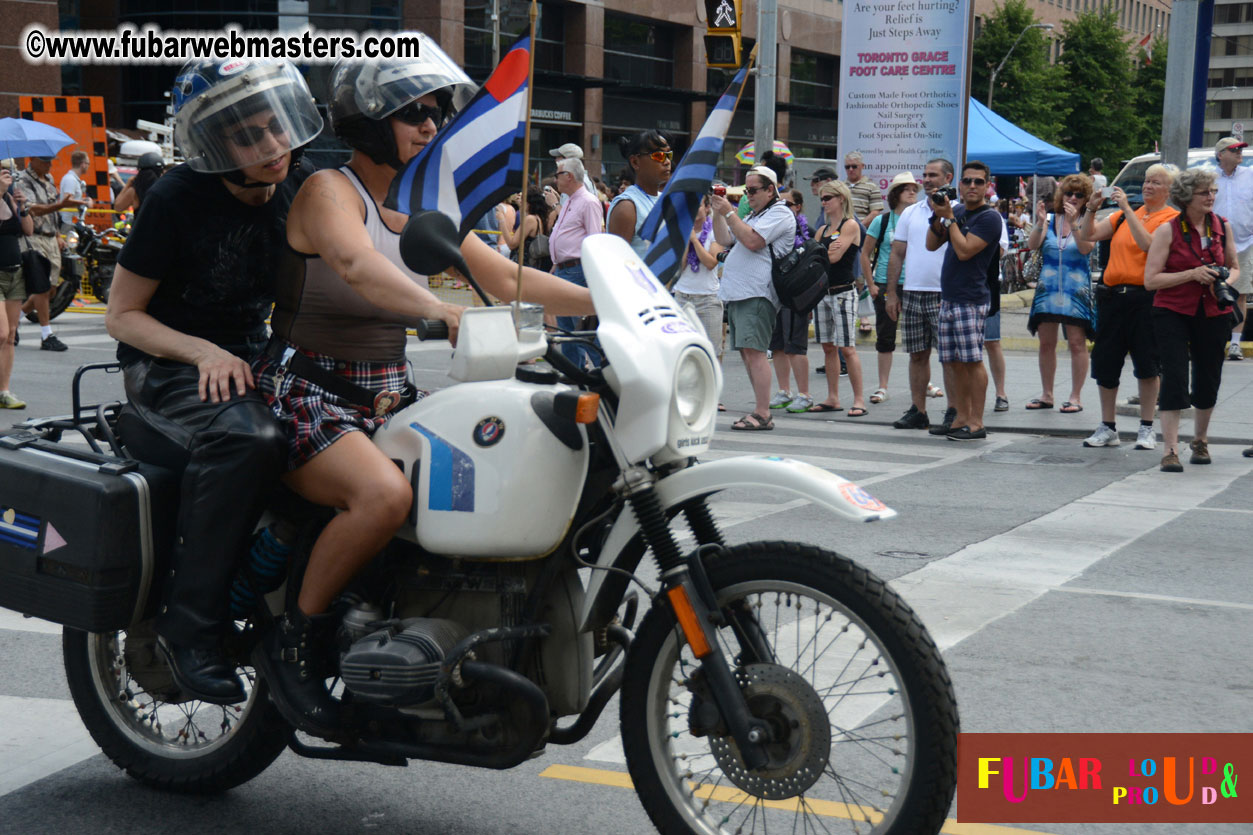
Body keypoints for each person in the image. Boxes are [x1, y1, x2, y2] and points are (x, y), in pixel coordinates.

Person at [254, 44, 596, 729]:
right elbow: (352, 263)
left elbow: (507, 280)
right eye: (414, 114)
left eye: (437, 114)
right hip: (306, 392)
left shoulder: (417, 207)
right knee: (383, 496)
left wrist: (615, 303)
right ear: (370, 121)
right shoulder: (329, 190)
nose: (431, 126)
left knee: (482, 476)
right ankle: (295, 640)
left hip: (384, 396)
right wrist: (437, 307)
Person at [104, 58, 323, 705]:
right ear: (212, 145)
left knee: (341, 429)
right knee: (248, 438)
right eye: (250, 136)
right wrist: (201, 351)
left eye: (276, 125)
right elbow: (122, 314)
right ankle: (188, 628)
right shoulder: (174, 197)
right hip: (167, 363)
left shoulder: (296, 182)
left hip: (250, 354)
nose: (273, 144)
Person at [1144, 169, 1239, 472]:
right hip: (1173, 310)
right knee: (1174, 376)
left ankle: (1200, 440)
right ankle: (1170, 449)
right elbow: (1150, 280)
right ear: (1187, 197)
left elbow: (1234, 267)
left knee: (1208, 376)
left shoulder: (1222, 226)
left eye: (1213, 191)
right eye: (1204, 192)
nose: (1211, 196)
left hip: (1213, 310)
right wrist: (1191, 274)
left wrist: (1224, 278)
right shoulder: (1168, 230)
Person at [1079, 165, 1178, 450]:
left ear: (1169, 191)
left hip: (1144, 297)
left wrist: (1128, 209)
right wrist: (1090, 209)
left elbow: (1148, 244)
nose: (1147, 186)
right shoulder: (1123, 215)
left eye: (1156, 183)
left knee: (1147, 364)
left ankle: (1146, 428)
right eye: (1146, 181)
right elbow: (1089, 235)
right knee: (1106, 362)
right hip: (1112, 296)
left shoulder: (1171, 219)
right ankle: (1108, 426)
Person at [925, 160, 1004, 440]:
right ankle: (959, 417)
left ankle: (977, 421)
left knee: (972, 361)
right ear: (959, 184)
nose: (972, 186)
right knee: (952, 362)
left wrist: (950, 219)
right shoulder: (956, 211)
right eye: (967, 181)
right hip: (949, 297)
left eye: (978, 182)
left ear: (987, 185)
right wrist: (939, 215)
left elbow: (965, 251)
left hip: (971, 299)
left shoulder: (989, 218)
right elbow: (931, 244)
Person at [711, 165, 795, 430]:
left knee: (756, 353)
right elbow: (724, 238)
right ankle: (760, 410)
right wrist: (717, 212)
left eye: (754, 190)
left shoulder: (779, 213)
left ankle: (762, 412)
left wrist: (728, 211)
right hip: (741, 293)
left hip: (757, 292)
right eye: (746, 191)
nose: (748, 196)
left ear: (771, 190)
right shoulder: (757, 215)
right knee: (749, 353)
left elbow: (752, 241)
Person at [885, 158, 958, 432]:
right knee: (917, 354)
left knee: (949, 357)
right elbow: (897, 253)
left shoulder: (957, 210)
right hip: (914, 292)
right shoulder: (911, 213)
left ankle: (954, 411)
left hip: (945, 293)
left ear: (948, 178)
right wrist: (892, 293)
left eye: (933, 175)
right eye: (925, 175)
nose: (926, 180)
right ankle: (918, 410)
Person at [1025, 173, 1096, 413]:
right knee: (1046, 343)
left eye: (1079, 194)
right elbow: (1033, 245)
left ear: (1086, 199)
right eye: (1069, 193)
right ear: (1061, 195)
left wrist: (1076, 222)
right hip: (1048, 288)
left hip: (1076, 291)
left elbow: (1086, 247)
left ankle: (1075, 396)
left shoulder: (1088, 219)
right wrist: (1039, 221)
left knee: (1077, 343)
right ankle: (1047, 394)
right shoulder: (1051, 218)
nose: (1073, 198)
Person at [860, 171, 919, 405]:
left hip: (915, 283)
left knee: (919, 336)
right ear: (896, 194)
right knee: (886, 337)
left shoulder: (920, 219)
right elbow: (864, 254)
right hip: (886, 282)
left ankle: (923, 382)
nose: (913, 191)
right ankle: (883, 386)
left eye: (915, 188)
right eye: (907, 188)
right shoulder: (881, 221)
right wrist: (871, 284)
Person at [809, 180, 867, 415]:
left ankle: (859, 400)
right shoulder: (822, 230)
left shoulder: (850, 225)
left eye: (827, 198)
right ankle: (833, 397)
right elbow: (816, 258)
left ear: (840, 198)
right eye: (822, 198)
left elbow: (832, 258)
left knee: (847, 347)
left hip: (843, 291)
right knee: (828, 347)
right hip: (823, 292)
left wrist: (821, 253)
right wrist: (824, 252)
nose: (823, 203)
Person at [16, 156, 84, 351]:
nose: (50, 165)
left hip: (51, 238)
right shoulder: (23, 180)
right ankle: (47, 334)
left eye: (51, 161)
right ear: (34, 160)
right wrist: (60, 206)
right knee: (41, 288)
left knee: (50, 288)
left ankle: (15, 319)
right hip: (33, 238)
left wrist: (57, 234)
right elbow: (33, 210)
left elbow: (52, 212)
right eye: (45, 161)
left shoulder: (49, 179)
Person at [548, 154, 604, 368]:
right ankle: (575, 372)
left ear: (569, 176)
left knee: (580, 328)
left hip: (577, 271)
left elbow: (593, 241)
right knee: (567, 329)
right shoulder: (572, 200)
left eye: (558, 174)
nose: (555, 179)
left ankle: (606, 371)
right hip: (566, 270)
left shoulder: (588, 202)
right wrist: (556, 265)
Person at [768, 188, 814, 413]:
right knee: (777, 345)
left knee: (795, 346)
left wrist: (810, 301)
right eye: (780, 204)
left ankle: (804, 394)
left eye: (788, 204)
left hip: (796, 296)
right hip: (776, 292)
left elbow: (814, 269)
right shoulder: (775, 228)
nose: (784, 209)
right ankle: (784, 391)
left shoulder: (807, 233)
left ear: (798, 207)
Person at [672, 197, 725, 375]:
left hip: (707, 298)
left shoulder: (714, 232)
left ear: (707, 207)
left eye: (698, 205)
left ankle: (715, 396)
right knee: (684, 350)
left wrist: (695, 241)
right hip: (683, 296)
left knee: (712, 349)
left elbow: (711, 263)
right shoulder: (681, 231)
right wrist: (687, 241)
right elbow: (680, 266)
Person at [1212, 136, 1253, 360]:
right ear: (1221, 154)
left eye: (1240, 149)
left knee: (1241, 293)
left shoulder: (1250, 175)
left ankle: (1235, 344)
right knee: (1213, 291)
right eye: (1234, 150)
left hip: (1245, 243)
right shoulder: (1209, 178)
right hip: (1214, 244)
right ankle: (1214, 338)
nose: (1240, 153)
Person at [0, 163, 33, 409]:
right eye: (3, 172)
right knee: (0, 333)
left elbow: (28, 230)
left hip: (15, 273)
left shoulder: (11, 198)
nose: (7, 176)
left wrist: (23, 207)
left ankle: (4, 391)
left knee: (10, 336)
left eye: (8, 172)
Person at [608, 131, 671, 257]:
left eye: (669, 155)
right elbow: (616, 262)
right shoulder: (627, 206)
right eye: (659, 155)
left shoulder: (664, 200)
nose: (667, 161)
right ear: (635, 162)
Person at [499, 185, 554, 271]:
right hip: (533, 266)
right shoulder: (539, 218)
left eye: (523, 199)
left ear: (529, 203)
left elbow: (512, 244)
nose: (520, 201)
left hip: (524, 266)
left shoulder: (530, 220)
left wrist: (501, 221)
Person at [843, 150, 884, 228]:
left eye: (854, 166)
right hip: (842, 230)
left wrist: (859, 227)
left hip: (863, 232)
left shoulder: (872, 186)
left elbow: (875, 212)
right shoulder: (840, 187)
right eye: (847, 167)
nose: (850, 169)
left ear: (862, 166)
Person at [59, 150, 91, 228]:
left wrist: (84, 200)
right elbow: (68, 200)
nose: (88, 166)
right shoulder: (71, 179)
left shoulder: (73, 179)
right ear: (83, 164)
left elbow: (73, 199)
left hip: (72, 222)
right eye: (88, 163)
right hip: (68, 223)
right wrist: (85, 202)